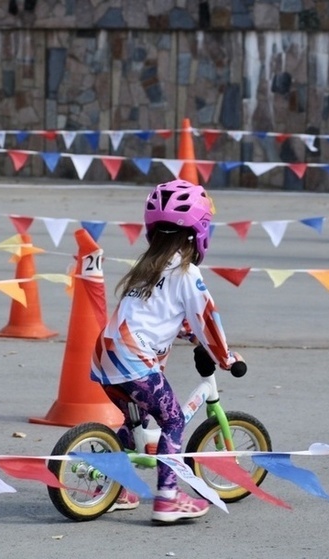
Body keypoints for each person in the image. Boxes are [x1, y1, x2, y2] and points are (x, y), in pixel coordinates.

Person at [90, 179, 244, 524]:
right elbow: (207, 319)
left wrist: (190, 336)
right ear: (199, 230)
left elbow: (165, 315)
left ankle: (114, 489)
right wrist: (226, 358)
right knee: (172, 420)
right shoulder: (187, 272)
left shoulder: (147, 268)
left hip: (105, 356)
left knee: (136, 423)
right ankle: (168, 499)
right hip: (135, 361)